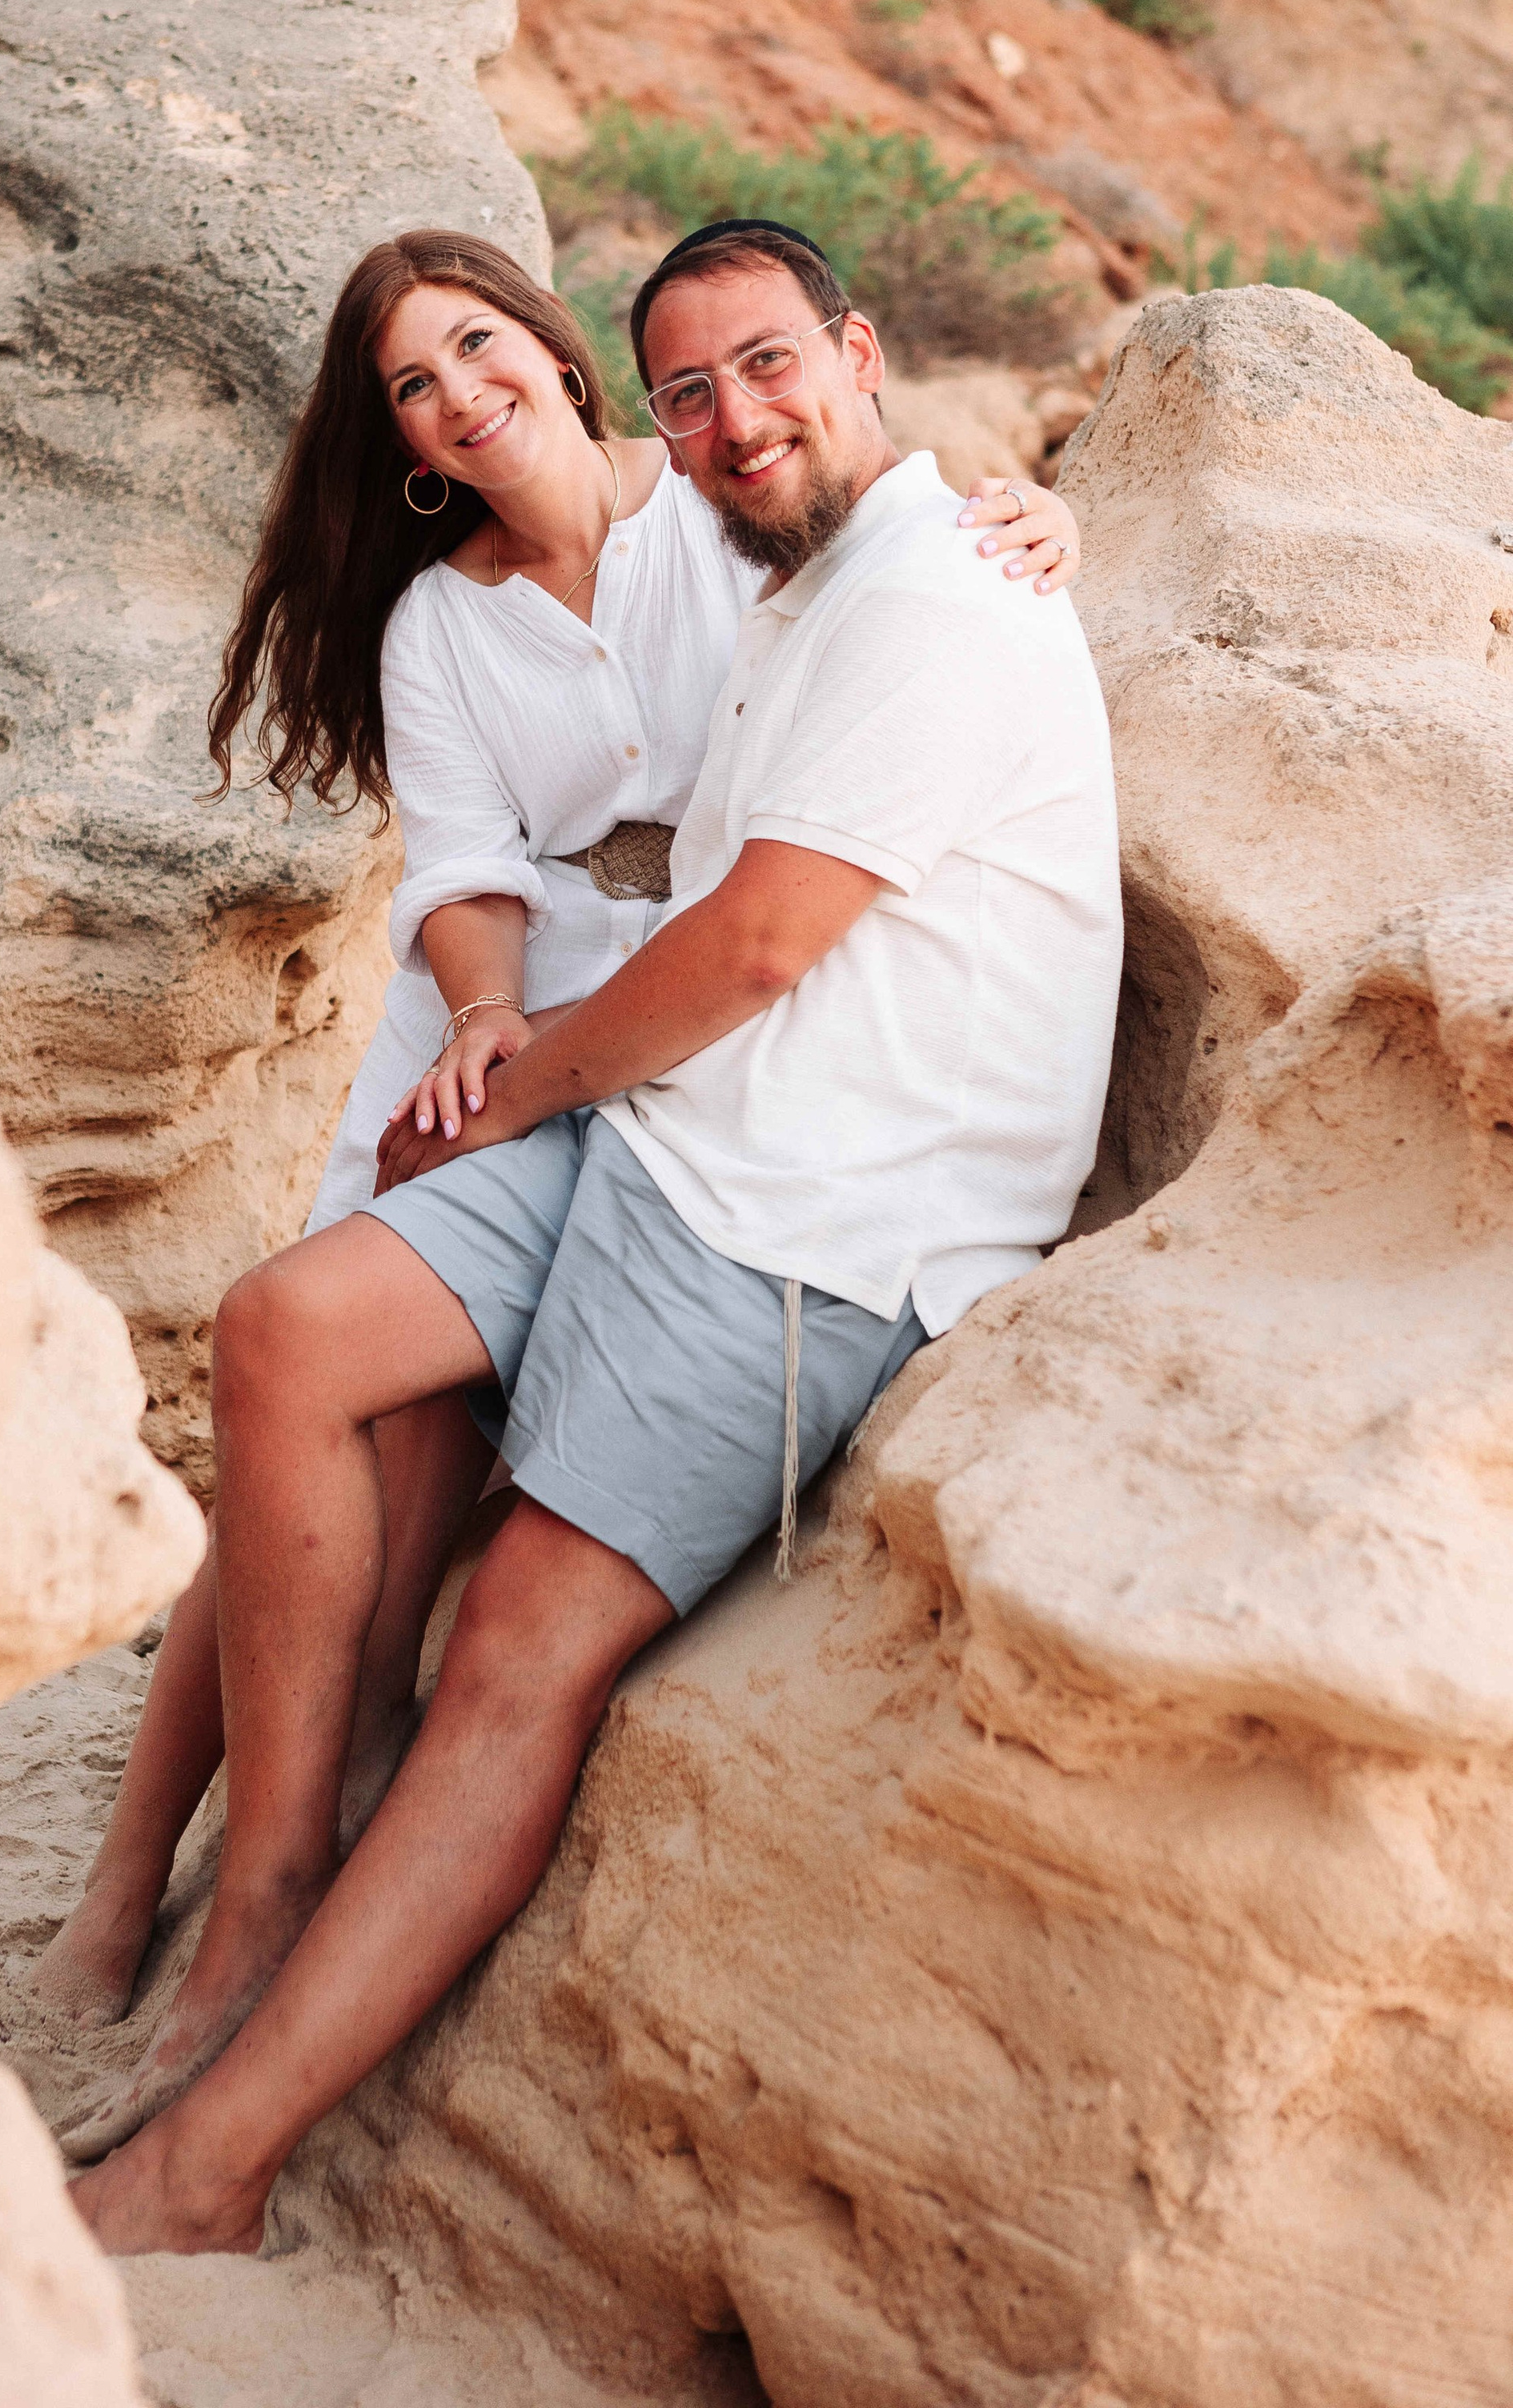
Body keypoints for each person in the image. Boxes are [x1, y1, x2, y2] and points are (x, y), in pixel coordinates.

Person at [64, 218, 1122, 2255]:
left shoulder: (890, 586)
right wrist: (496, 1045)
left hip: (791, 1187)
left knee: (518, 1640)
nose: (734, 421)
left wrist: (1052, 523)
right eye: (696, 392)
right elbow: (481, 873)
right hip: (592, 1064)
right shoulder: (706, 584)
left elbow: (748, 944)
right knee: (287, 1336)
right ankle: (247, 1883)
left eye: (765, 371)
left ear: (860, 353)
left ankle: (201, 2174)